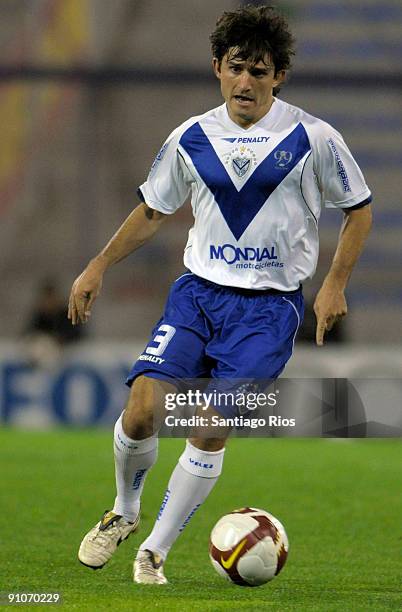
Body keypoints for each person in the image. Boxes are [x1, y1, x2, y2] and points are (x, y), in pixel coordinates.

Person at [68, 5, 372, 585]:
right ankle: (124, 513)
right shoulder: (191, 136)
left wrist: (334, 285)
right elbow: (154, 210)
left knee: (207, 423)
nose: (247, 83)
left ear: (278, 76)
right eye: (237, 68)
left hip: (268, 312)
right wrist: (98, 264)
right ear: (217, 68)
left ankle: (154, 550)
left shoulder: (313, 138)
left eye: (260, 72)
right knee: (139, 413)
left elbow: (359, 210)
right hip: (198, 297)